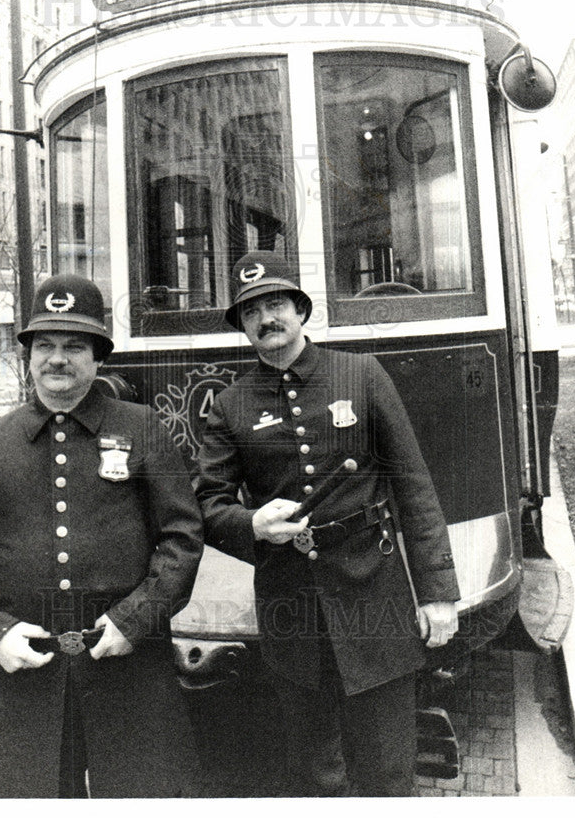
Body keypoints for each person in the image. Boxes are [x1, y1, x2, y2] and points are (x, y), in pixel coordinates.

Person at [0, 274, 204, 798]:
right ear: (28, 355)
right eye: (45, 345)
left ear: (98, 358)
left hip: (127, 662)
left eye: (74, 345)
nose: (58, 359)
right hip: (31, 668)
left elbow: (182, 537)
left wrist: (135, 619)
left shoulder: (143, 427)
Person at [195, 251, 461, 797]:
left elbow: (413, 483)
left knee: (387, 763)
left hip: (373, 587)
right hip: (289, 598)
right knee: (315, 768)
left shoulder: (360, 374)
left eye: (275, 304)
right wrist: (251, 524)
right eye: (251, 312)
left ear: (299, 309)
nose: (266, 319)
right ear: (243, 326)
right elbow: (208, 503)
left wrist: (438, 592)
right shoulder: (230, 405)